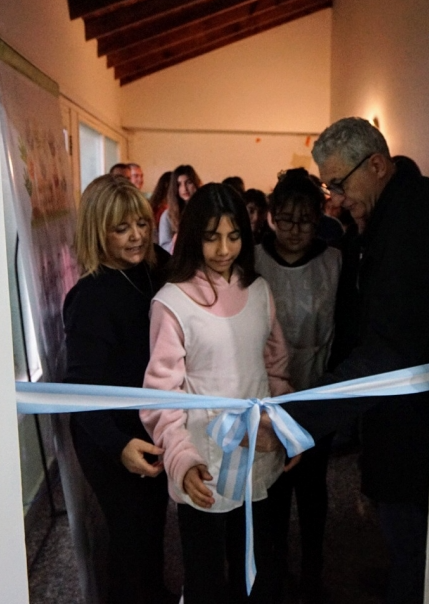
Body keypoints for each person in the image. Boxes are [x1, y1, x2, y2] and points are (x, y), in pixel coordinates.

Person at [280, 117, 429, 604]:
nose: (334, 200)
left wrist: (300, 416)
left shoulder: (415, 219)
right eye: (329, 187)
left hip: (412, 417)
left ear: (375, 165)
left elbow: (389, 348)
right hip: (389, 412)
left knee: (413, 542)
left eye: (339, 184)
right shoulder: (388, 214)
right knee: (400, 536)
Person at [142, 183, 294, 604]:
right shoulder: (172, 302)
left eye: (234, 236)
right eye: (211, 237)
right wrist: (180, 459)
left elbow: (276, 369)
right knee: (206, 575)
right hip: (203, 460)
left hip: (259, 451)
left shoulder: (258, 290)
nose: (224, 249)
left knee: (258, 565)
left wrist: (286, 430)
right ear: (193, 237)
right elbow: (161, 396)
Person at [63, 175, 176, 604]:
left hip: (150, 425)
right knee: (129, 536)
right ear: (98, 232)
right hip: (110, 434)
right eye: (121, 228)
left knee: (151, 527)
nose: (137, 236)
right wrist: (117, 446)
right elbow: (80, 390)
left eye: (142, 224)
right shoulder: (90, 297)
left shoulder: (156, 268)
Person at [256, 169, 342, 604]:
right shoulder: (253, 259)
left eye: (305, 220)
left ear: (319, 218)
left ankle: (312, 573)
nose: (294, 230)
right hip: (264, 397)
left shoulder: (334, 261)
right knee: (271, 489)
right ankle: (272, 572)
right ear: (272, 215)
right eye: (286, 219)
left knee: (311, 490)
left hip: (315, 391)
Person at [158, 164, 201, 253]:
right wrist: (175, 242)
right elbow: (163, 248)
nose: (184, 188)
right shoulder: (167, 216)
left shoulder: (206, 211)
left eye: (188, 182)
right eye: (179, 184)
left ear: (196, 183)